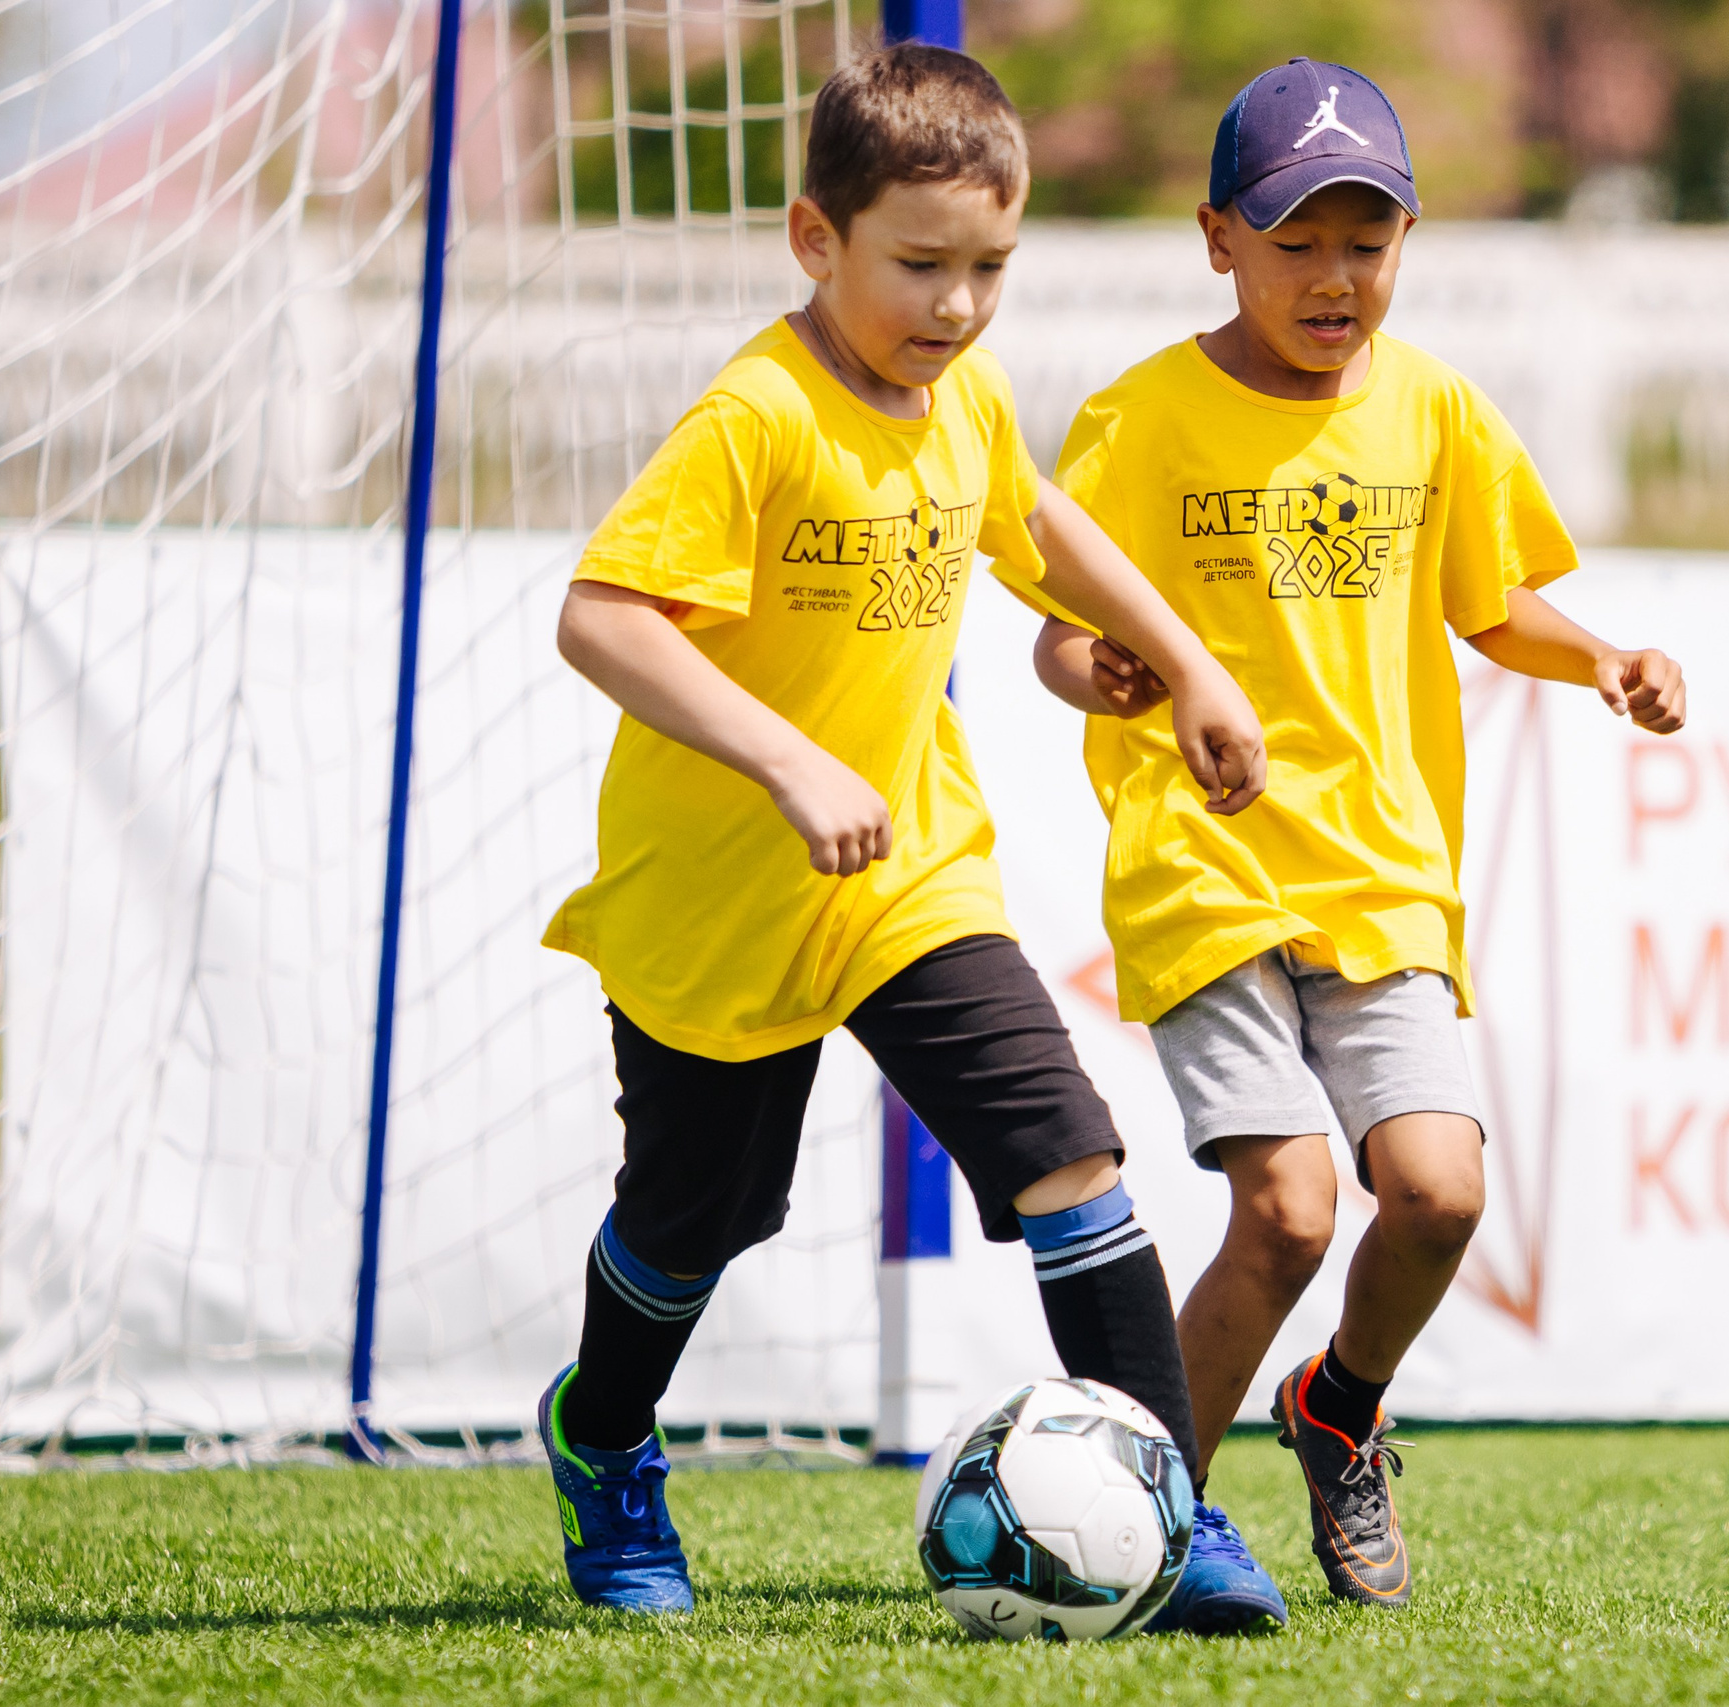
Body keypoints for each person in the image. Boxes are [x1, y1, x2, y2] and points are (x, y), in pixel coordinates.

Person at [535, 43, 1270, 1622]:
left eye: (990, 268)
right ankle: (601, 1440)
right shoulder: (757, 415)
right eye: (919, 266)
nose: (955, 307)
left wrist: (1195, 665)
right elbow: (600, 618)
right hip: (718, 902)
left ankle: (1174, 1499)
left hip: (913, 879)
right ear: (819, 241)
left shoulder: (966, 401)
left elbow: (1044, 526)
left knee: (1066, 1150)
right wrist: (792, 765)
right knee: (695, 1223)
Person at [1031, 58, 1688, 1611]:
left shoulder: (1439, 408)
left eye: (1368, 241)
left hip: (1385, 872)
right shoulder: (1141, 418)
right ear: (1218, 240)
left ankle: (1336, 1410)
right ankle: (1145, 1530)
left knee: (1441, 1193)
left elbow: (1491, 599)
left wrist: (1600, 657)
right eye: (1296, 239)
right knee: (1288, 1206)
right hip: (1205, 864)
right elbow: (1058, 638)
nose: (1336, 277)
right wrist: (1105, 666)